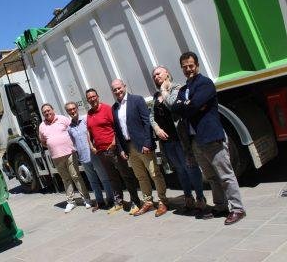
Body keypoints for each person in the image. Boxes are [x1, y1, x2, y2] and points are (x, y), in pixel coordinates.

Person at [172, 51, 246, 225]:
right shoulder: (184, 89)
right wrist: (188, 105)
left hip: (211, 136)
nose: (188, 69)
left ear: (197, 65)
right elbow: (176, 107)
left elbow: (193, 106)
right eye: (184, 67)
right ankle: (220, 206)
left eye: (191, 66)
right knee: (211, 177)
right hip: (195, 140)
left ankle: (238, 209)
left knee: (225, 175)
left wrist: (189, 106)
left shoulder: (205, 84)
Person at [150, 66, 205, 212]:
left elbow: (173, 105)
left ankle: (200, 198)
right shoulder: (156, 96)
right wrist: (157, 129)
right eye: (154, 76)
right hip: (167, 142)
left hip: (180, 138)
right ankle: (188, 198)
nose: (156, 77)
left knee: (190, 168)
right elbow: (151, 116)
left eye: (158, 74)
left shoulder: (177, 88)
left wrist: (164, 90)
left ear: (167, 73)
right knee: (180, 170)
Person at [111, 79, 168, 217]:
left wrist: (147, 143)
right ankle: (148, 201)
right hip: (129, 147)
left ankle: (162, 201)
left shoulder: (137, 100)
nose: (118, 91)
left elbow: (146, 122)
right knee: (140, 176)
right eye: (115, 90)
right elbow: (117, 131)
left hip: (142, 145)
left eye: (119, 88)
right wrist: (122, 149)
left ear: (124, 86)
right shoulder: (114, 108)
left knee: (155, 174)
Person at [85, 88, 142, 215]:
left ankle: (135, 201)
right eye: (89, 97)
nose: (92, 99)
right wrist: (91, 145)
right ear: (87, 100)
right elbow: (88, 131)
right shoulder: (89, 114)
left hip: (113, 149)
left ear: (98, 96)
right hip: (100, 152)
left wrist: (114, 142)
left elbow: (117, 127)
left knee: (125, 175)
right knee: (112, 178)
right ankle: (119, 202)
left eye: (94, 96)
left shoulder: (107, 109)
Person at [38, 103, 91, 213]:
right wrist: (54, 145)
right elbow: (43, 141)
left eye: (49, 110)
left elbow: (73, 129)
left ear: (53, 109)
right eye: (44, 112)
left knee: (76, 176)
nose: (47, 113)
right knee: (66, 179)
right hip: (56, 157)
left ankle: (86, 199)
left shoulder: (63, 119)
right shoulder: (42, 126)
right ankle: (71, 202)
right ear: (43, 114)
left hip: (69, 153)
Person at [65, 101, 114, 212]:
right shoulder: (69, 128)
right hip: (83, 157)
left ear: (77, 108)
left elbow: (94, 134)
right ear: (67, 112)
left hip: (94, 154)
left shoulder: (86, 120)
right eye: (69, 110)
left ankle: (110, 200)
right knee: (93, 181)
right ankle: (100, 201)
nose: (72, 111)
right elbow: (73, 142)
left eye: (74, 108)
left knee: (104, 178)